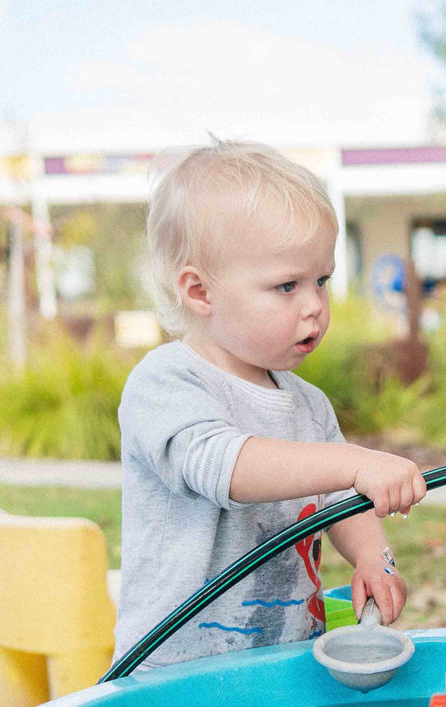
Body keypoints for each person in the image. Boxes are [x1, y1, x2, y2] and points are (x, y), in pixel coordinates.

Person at [114, 139, 426, 670]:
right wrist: (356, 462)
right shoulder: (166, 382)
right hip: (171, 676)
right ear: (200, 292)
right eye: (287, 286)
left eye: (321, 281)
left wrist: (374, 554)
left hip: (283, 661)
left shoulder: (308, 405)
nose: (315, 306)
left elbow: (338, 500)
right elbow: (226, 468)